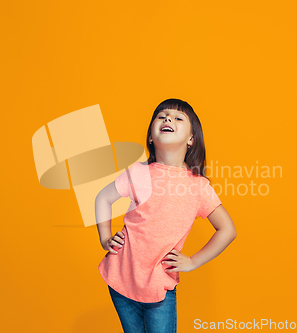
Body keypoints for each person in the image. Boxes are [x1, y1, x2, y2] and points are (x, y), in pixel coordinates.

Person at [95, 98, 236, 333]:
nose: (168, 118)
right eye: (161, 116)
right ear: (151, 136)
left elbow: (228, 230)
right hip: (120, 278)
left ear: (191, 139)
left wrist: (192, 261)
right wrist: (104, 237)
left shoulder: (198, 186)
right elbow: (102, 198)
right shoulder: (138, 173)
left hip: (159, 287)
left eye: (178, 118)